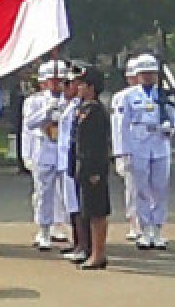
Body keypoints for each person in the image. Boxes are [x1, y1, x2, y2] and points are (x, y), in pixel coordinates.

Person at [118, 53, 175, 250]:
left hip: (160, 143)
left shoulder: (164, 94)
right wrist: (123, 152)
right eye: (144, 73)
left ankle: (158, 229)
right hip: (138, 144)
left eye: (151, 73)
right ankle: (144, 229)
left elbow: (173, 117)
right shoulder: (129, 96)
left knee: (160, 189)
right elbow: (123, 126)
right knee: (141, 190)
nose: (148, 77)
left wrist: (171, 127)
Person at [24, 60, 67, 250]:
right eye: (52, 80)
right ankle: (44, 230)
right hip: (44, 148)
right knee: (43, 192)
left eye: (60, 80)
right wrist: (47, 110)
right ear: (43, 82)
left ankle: (66, 226)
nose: (57, 84)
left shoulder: (71, 100)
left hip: (64, 150)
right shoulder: (34, 101)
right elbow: (30, 123)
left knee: (68, 193)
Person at [72, 67, 111, 270]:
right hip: (84, 167)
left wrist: (96, 171)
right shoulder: (84, 109)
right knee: (88, 210)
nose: (78, 88)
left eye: (82, 85)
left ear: (91, 88)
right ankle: (92, 250)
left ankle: (98, 254)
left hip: (93, 169)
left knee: (97, 213)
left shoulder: (95, 111)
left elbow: (97, 145)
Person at [56, 63, 86, 263]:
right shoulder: (69, 105)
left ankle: (84, 245)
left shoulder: (82, 107)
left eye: (70, 83)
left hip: (76, 160)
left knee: (79, 205)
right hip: (65, 160)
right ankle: (77, 242)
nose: (65, 87)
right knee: (71, 204)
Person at [109, 57, 140, 241]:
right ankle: (134, 222)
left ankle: (151, 225)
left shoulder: (158, 95)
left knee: (153, 189)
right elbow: (118, 128)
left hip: (151, 148)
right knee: (133, 188)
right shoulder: (122, 97)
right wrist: (120, 153)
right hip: (130, 148)